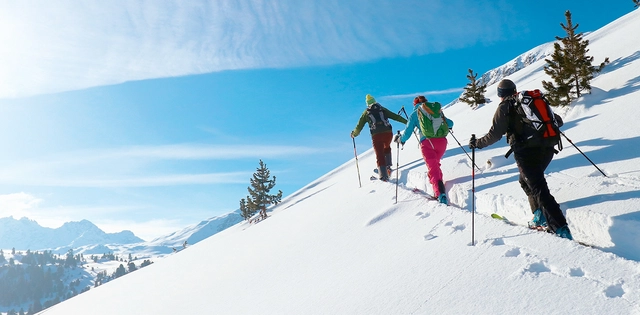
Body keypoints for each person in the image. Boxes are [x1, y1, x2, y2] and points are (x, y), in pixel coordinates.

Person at [468, 79, 573, 240]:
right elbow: (558, 120)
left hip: (526, 152)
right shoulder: (531, 101)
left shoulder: (505, 107)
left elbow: (495, 134)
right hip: (548, 148)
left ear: (500, 94)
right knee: (525, 181)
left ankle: (560, 227)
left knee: (538, 188)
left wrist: (477, 144)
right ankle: (539, 215)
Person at [394, 95, 453, 204]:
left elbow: (407, 133)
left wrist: (400, 140)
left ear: (414, 104)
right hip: (442, 142)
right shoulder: (435, 111)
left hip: (427, 143)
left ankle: (440, 194)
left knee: (433, 168)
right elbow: (450, 123)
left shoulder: (415, 114)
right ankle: (437, 183)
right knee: (435, 165)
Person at [351, 94, 407, 181]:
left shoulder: (366, 112)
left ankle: (383, 175)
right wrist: (407, 122)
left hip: (376, 135)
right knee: (387, 147)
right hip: (388, 133)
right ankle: (388, 167)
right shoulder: (382, 109)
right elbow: (395, 117)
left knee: (379, 154)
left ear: (367, 104)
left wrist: (354, 134)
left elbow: (359, 126)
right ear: (375, 101)